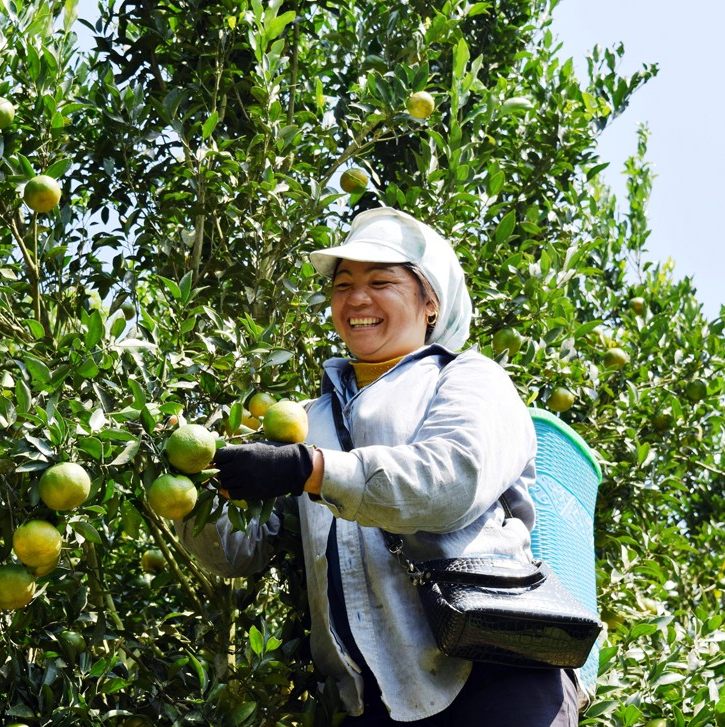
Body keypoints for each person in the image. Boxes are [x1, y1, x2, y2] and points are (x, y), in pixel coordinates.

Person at [177, 207, 580, 725]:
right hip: (369, 701)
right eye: (342, 285)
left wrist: (312, 469)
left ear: (430, 301)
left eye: (381, 281)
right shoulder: (305, 419)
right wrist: (190, 483)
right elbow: (240, 553)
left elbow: (451, 481)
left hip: (493, 673)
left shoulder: (470, 379)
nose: (356, 299)